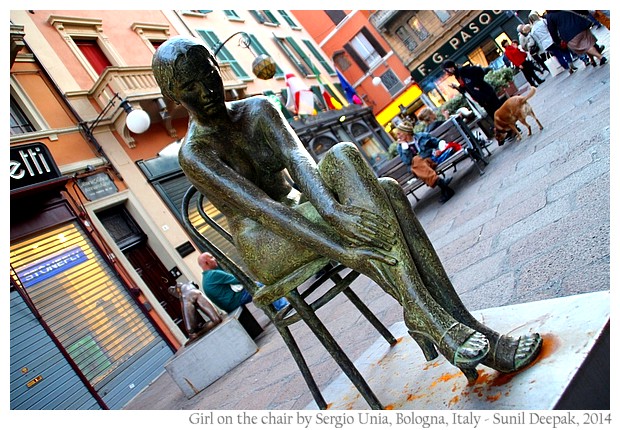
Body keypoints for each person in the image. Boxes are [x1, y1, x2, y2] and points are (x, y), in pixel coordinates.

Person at [152, 36, 542, 381]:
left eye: (207, 75)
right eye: (190, 87)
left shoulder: (258, 109)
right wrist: (347, 249)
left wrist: (335, 212)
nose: (205, 91)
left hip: (306, 211)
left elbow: (298, 159)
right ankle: (460, 329)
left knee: (349, 160)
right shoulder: (195, 153)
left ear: (217, 67)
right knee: (386, 195)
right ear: (174, 96)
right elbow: (264, 210)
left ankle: (438, 322)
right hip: (267, 241)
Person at [198, 252, 289, 313]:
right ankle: (284, 307)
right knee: (260, 286)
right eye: (211, 258)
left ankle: (273, 309)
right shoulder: (213, 274)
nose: (215, 259)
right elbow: (239, 278)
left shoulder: (207, 277)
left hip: (228, 304)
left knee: (255, 287)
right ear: (206, 262)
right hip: (233, 301)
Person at [394, 121, 455, 204]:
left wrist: (437, 150)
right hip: (417, 170)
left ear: (406, 132)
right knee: (416, 160)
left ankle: (443, 186)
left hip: (431, 161)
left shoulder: (422, 136)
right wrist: (405, 148)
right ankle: (442, 184)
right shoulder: (401, 147)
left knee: (417, 160)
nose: (398, 137)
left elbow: (437, 142)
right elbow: (407, 162)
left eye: (399, 134)